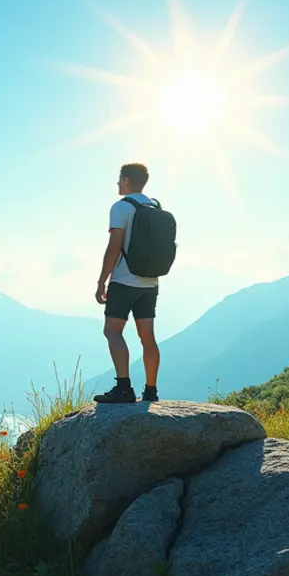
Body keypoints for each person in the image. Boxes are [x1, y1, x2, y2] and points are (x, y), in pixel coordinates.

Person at [93, 163, 161, 404]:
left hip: (124, 280)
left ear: (127, 180)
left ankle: (124, 388)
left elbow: (114, 247)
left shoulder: (121, 207)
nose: (117, 183)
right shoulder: (153, 205)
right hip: (150, 282)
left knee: (112, 331)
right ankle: (151, 391)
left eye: (119, 179)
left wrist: (102, 280)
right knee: (148, 337)